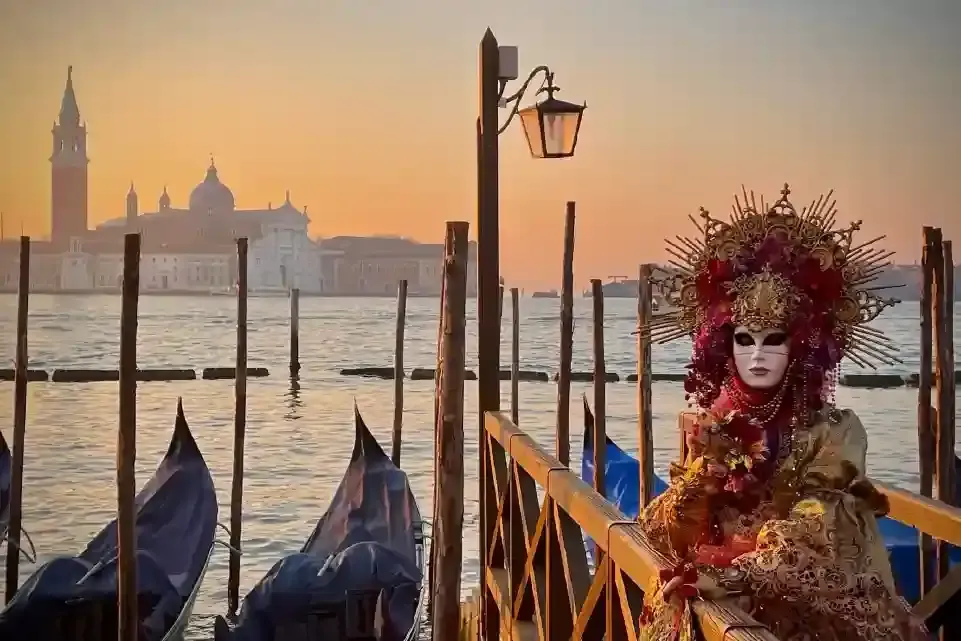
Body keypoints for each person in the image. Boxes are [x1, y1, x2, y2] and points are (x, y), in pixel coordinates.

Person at [636, 185, 927, 641]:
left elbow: (815, 542)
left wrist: (728, 577)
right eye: (744, 339)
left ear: (800, 345)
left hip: (805, 618)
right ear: (722, 345)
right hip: (715, 607)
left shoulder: (832, 434)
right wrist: (700, 481)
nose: (757, 356)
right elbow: (661, 532)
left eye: (774, 340)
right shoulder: (714, 424)